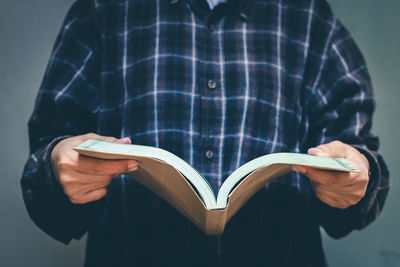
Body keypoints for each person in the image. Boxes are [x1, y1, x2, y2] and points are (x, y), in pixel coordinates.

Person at [21, 0, 390, 266]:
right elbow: (46, 158)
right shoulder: (104, 10)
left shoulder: (309, 17)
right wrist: (58, 166)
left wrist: (358, 177)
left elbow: (359, 160)